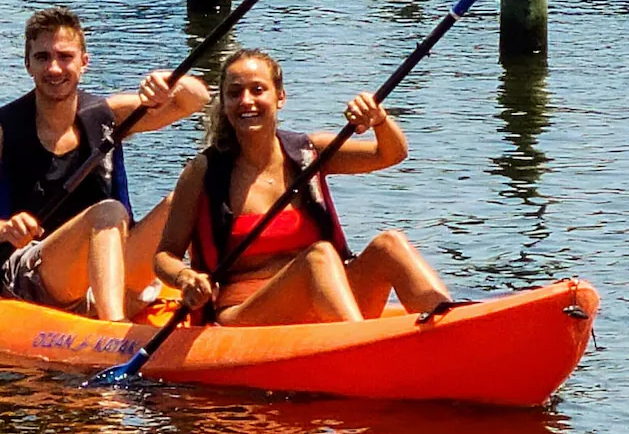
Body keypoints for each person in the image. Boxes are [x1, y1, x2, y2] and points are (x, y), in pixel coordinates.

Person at [0, 8, 209, 321]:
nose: (54, 68)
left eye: (65, 56)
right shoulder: (1, 133)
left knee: (186, 195)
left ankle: (208, 294)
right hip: (32, 273)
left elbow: (196, 100)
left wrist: (170, 83)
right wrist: (3, 229)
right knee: (109, 212)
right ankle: (112, 330)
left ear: (83, 63)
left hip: (109, 266)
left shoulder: (109, 115)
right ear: (28, 65)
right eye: (42, 57)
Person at [153, 48, 451, 326]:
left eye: (258, 90)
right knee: (317, 258)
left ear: (280, 97)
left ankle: (449, 324)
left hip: (330, 303)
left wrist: (379, 119)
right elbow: (165, 255)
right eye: (234, 93)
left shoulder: (309, 153)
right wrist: (185, 278)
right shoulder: (203, 171)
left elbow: (391, 154)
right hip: (244, 317)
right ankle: (359, 347)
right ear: (225, 104)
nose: (246, 101)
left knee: (390, 244)